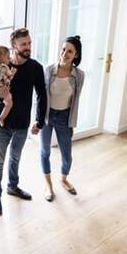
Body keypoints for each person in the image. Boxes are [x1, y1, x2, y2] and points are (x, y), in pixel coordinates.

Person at [0, 28, 47, 216]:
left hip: (22, 124)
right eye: (24, 44)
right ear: (14, 46)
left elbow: (42, 95)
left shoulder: (35, 67)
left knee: (15, 158)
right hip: (1, 124)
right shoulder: (0, 65)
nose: (28, 47)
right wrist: (0, 97)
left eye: (29, 43)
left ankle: (12, 187)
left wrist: (39, 121)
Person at [40, 36, 85, 202]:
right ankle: (48, 185)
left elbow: (76, 100)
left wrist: (72, 121)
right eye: (63, 49)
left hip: (65, 117)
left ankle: (63, 179)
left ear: (76, 55)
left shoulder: (79, 75)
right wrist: (37, 120)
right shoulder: (48, 70)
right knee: (45, 151)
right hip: (47, 115)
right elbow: (41, 98)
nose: (65, 53)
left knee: (67, 155)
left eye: (70, 51)